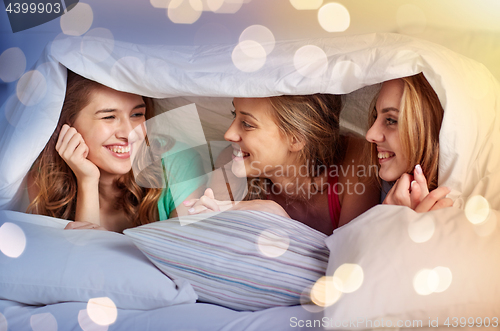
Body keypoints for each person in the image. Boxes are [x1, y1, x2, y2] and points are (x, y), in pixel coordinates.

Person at [26, 70, 205, 232]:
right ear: (68, 124)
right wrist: (87, 181)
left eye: (136, 114)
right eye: (109, 117)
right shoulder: (44, 179)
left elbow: (180, 258)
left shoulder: (178, 163)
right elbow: (82, 261)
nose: (129, 133)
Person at [184, 94, 380, 235]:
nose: (228, 134)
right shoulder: (231, 163)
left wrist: (278, 219)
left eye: (247, 124)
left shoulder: (356, 161)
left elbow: (348, 266)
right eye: (234, 115)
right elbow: (215, 254)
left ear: (296, 138)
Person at [365, 73, 453, 212]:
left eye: (391, 120)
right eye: (376, 116)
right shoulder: (385, 189)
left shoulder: (453, 211)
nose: (370, 135)